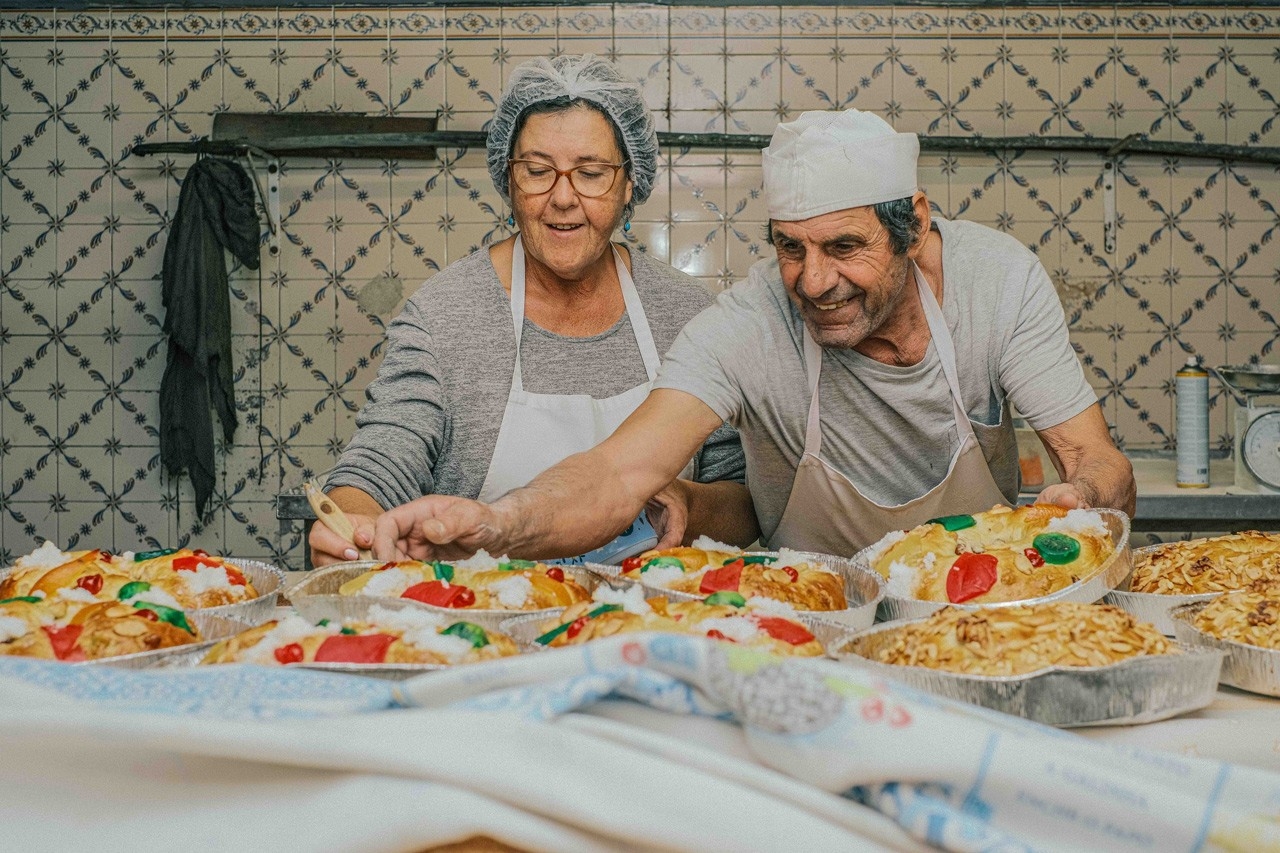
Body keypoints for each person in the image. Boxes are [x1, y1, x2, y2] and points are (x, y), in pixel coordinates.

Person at [372, 108, 1136, 562]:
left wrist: (1081, 497)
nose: (811, 281)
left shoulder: (996, 282)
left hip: (978, 613)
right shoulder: (746, 323)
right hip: (802, 627)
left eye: (844, 248)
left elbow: (1097, 461)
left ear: (916, 227)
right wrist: (498, 523)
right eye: (790, 248)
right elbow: (614, 476)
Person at [310, 55, 754, 566]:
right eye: (538, 171)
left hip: (652, 621)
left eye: (590, 173)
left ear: (629, 184)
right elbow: (379, 465)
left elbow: (745, 505)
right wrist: (353, 526)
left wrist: (690, 503)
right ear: (508, 180)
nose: (562, 197)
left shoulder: (688, 314)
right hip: (488, 621)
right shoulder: (446, 315)